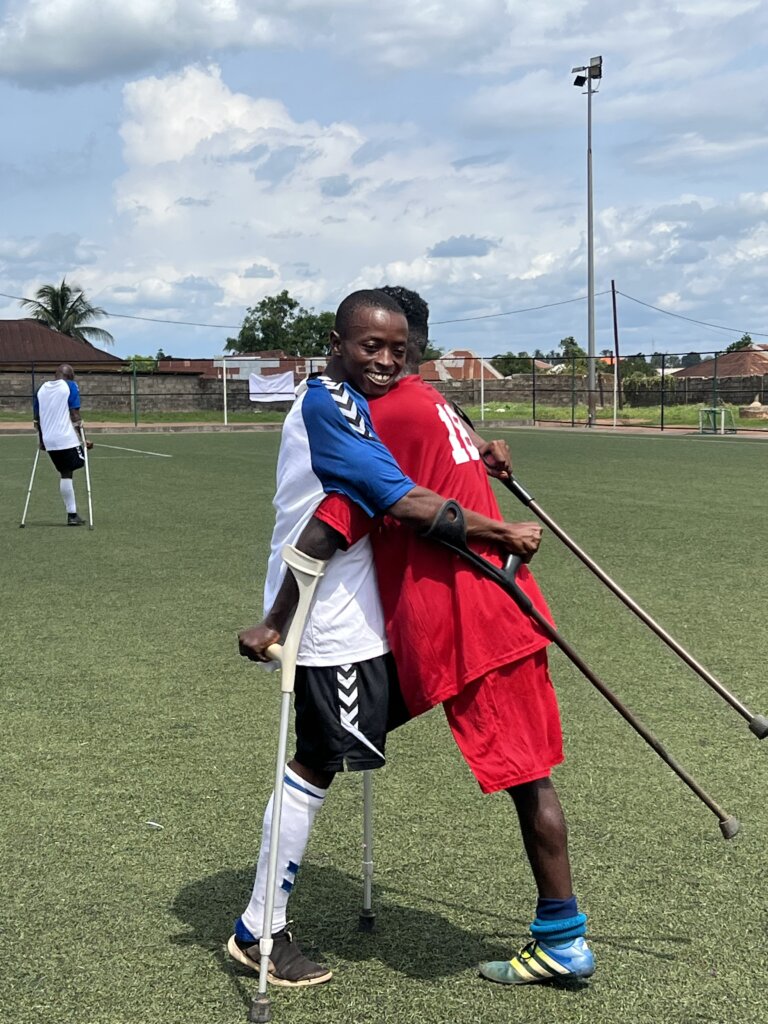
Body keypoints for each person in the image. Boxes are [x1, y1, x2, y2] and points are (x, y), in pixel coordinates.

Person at [244, 286, 594, 987]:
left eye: (400, 350)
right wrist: (277, 618)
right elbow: (358, 511)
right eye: (373, 346)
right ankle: (259, 927)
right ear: (338, 342)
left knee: (335, 752)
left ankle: (562, 935)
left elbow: (370, 502)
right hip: (438, 612)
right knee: (330, 752)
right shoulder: (380, 405)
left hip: (446, 617)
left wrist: (478, 455)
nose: (389, 361)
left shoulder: (406, 403)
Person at [33, 364, 92, 526]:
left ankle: (72, 514)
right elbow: (75, 414)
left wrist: (41, 440)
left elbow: (37, 418)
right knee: (77, 463)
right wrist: (83, 439)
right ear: (70, 376)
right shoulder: (70, 386)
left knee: (65, 472)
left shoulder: (41, 389)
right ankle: (72, 515)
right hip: (65, 438)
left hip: (50, 440)